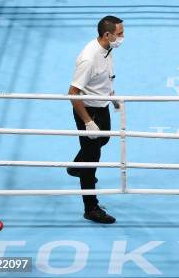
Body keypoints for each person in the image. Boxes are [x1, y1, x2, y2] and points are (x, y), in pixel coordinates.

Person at [67, 16, 124, 224]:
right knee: (92, 162)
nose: (123, 37)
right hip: (87, 110)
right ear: (107, 35)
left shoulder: (107, 49)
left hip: (102, 105)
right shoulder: (89, 58)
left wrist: (112, 96)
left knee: (104, 138)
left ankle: (76, 166)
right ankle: (90, 208)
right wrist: (88, 122)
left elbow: (105, 77)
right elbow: (73, 93)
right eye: (120, 34)